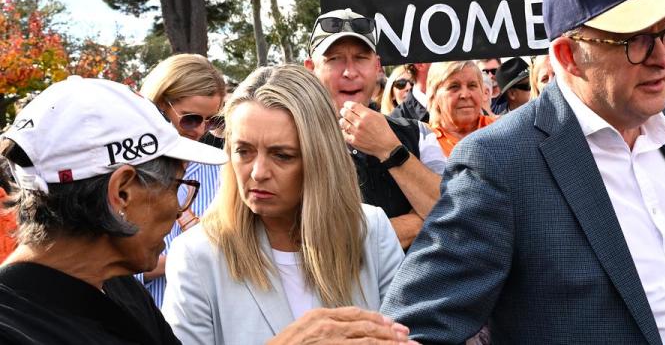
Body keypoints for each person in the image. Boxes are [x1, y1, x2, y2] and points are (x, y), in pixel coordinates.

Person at [382, 0, 665, 343]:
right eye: (635, 40)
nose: (662, 58)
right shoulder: (499, 163)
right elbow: (413, 329)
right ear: (568, 56)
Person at [163, 65, 409, 345]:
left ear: (320, 158)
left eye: (282, 155)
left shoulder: (370, 231)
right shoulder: (197, 256)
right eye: (243, 151)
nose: (258, 172)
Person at [0, 76, 226, 344]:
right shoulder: (12, 333)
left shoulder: (116, 285)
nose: (179, 209)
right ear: (122, 193)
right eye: (175, 186)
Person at [304, 8, 444, 249]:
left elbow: (453, 213)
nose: (350, 72)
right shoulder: (294, 141)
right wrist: (419, 223)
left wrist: (389, 149)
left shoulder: (418, 133)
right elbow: (320, 240)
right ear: (310, 69)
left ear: (377, 66)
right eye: (334, 59)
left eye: (361, 58)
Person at [137, 53, 227, 307]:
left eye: (211, 122)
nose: (199, 131)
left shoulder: (220, 169)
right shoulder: (124, 175)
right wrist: (186, 261)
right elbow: (103, 269)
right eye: (190, 119)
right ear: (158, 106)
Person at [426, 62, 497, 157]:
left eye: (472, 85)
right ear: (434, 96)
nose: (465, 95)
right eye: (454, 87)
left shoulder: (501, 131)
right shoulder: (424, 142)